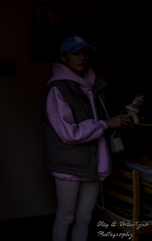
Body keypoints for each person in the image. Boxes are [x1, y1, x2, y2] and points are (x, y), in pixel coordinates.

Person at [43, 35, 134, 241]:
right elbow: (69, 133)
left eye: (85, 53)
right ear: (64, 58)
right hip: (68, 163)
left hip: (94, 161)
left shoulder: (94, 86)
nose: (82, 58)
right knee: (66, 217)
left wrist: (118, 121)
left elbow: (101, 121)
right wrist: (105, 124)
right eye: (76, 54)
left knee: (84, 218)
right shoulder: (58, 88)